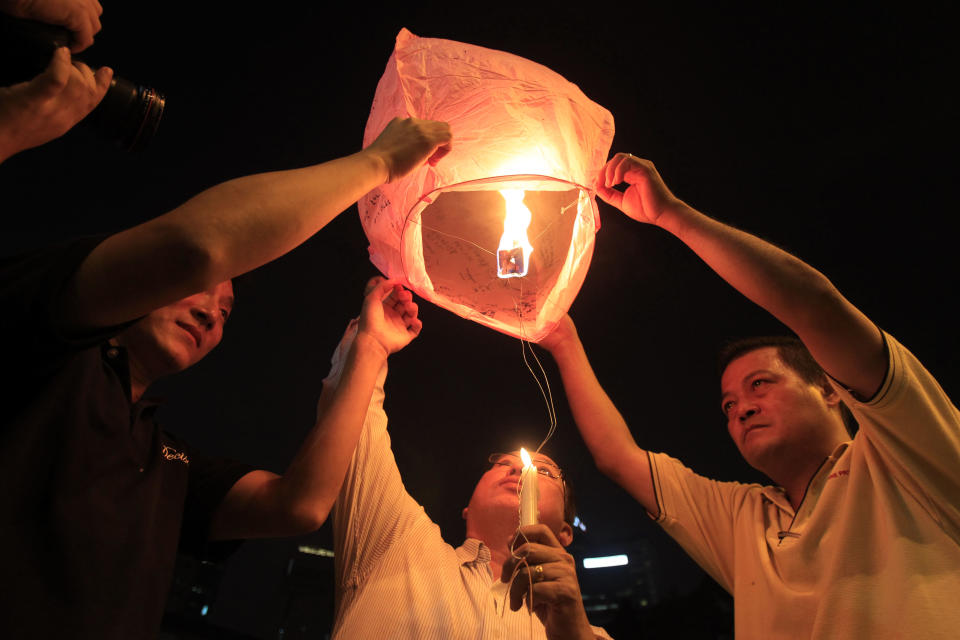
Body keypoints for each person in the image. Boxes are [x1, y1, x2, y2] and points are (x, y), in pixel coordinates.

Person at [0, 1, 451, 638]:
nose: (214, 307)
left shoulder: (161, 458)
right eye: (202, 293)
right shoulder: (45, 340)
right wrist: (378, 163)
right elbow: (199, 246)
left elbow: (300, 504)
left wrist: (372, 348)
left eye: (227, 309)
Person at [537, 152, 960, 638]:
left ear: (829, 388)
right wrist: (563, 340)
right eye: (728, 405)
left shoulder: (907, 456)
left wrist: (672, 215)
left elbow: (815, 305)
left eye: (760, 384)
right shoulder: (746, 520)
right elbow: (619, 457)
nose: (742, 410)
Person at [321, 278, 612, 640]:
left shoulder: (586, 634)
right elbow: (352, 426)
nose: (519, 467)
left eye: (544, 472)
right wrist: (372, 345)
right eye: (502, 463)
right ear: (466, 510)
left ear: (565, 533)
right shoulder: (396, 541)